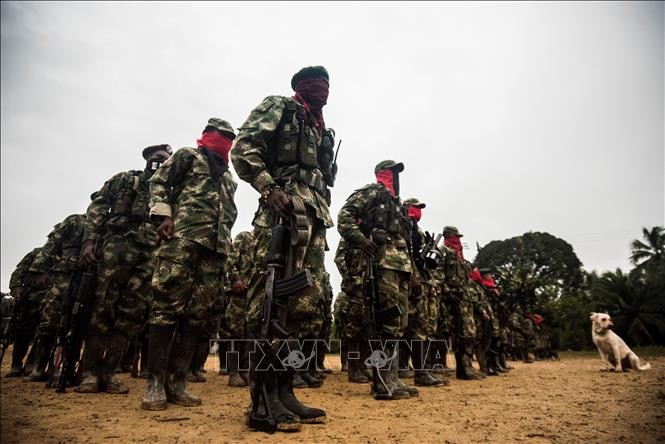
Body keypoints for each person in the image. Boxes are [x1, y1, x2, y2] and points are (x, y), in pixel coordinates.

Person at [231, 66, 333, 431]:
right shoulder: (279, 106)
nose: (322, 92)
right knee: (269, 305)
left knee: (303, 308)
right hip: (281, 214)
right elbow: (242, 148)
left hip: (314, 221)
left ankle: (285, 391)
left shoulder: (321, 130)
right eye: (315, 86)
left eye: (327, 87)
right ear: (300, 87)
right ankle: (262, 401)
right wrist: (267, 187)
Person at [141, 118, 238, 411]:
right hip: (183, 239)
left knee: (198, 315)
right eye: (220, 136)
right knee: (166, 308)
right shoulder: (187, 156)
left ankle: (177, 381)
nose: (224, 142)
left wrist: (226, 243)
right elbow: (159, 182)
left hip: (216, 249)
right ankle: (155, 382)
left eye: (229, 138)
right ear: (207, 135)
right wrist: (164, 215)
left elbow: (229, 211)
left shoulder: (229, 177)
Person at [75, 144, 172, 394]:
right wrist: (89, 241)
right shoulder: (124, 180)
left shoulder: (169, 192)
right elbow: (97, 207)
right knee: (101, 307)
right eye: (156, 158)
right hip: (115, 246)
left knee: (132, 314)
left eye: (165, 159)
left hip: (149, 253)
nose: (160, 162)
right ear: (147, 159)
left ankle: (108, 373)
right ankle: (90, 373)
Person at [337, 160, 417, 400]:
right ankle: (382, 382)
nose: (397, 177)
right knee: (386, 323)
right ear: (384, 174)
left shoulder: (398, 206)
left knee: (399, 324)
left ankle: (391, 378)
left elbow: (406, 244)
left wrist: (414, 272)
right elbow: (344, 216)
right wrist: (361, 241)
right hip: (381, 267)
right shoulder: (371, 193)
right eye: (394, 172)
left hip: (400, 269)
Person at [23, 214, 86, 382]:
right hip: (62, 278)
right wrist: (39, 269)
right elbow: (52, 244)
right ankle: (38, 368)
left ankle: (65, 368)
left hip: (87, 280)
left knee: (76, 324)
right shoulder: (75, 221)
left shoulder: (107, 226)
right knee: (49, 322)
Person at [401, 197, 447, 387]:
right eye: (415, 208)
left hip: (425, 281)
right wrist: (413, 277)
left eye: (419, 208)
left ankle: (422, 370)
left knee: (424, 327)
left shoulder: (417, 230)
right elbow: (405, 255)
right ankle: (418, 372)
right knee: (415, 327)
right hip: (413, 282)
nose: (418, 211)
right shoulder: (405, 226)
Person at [441, 226, 483, 380]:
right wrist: (448, 293)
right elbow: (438, 275)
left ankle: (466, 366)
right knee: (455, 332)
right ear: (448, 236)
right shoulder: (442, 252)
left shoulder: (461, 257)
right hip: (450, 299)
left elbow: (467, 280)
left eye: (458, 237)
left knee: (468, 333)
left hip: (464, 299)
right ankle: (461, 369)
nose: (458, 239)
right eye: (455, 236)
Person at [5, 248, 45, 377]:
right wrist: (16, 289)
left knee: (44, 335)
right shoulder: (37, 253)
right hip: (29, 299)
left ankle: (31, 365)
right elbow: (19, 272)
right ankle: (16, 365)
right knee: (22, 332)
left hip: (51, 301)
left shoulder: (66, 256)